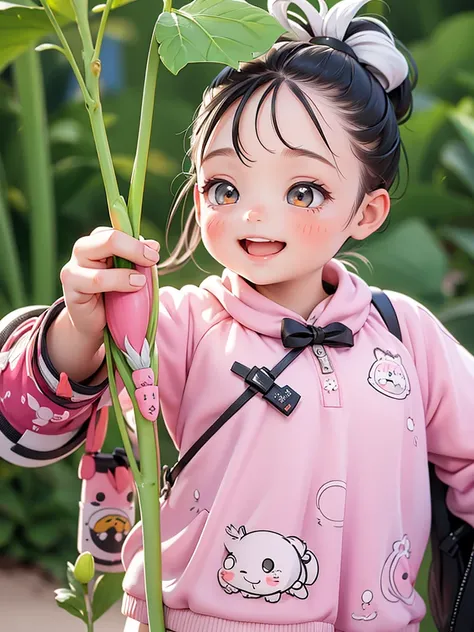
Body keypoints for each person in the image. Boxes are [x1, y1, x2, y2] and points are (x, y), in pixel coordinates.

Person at [1, 0, 474, 630]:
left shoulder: (405, 336)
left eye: (303, 191)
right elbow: (21, 427)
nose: (254, 213)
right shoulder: (182, 324)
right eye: (226, 188)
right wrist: (79, 327)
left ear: (366, 211)